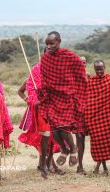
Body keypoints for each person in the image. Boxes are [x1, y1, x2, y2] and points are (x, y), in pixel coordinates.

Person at [37, 31, 87, 168]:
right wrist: (42, 92)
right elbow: (44, 78)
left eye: (51, 43)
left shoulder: (70, 57)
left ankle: (73, 149)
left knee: (63, 128)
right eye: (47, 44)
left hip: (66, 97)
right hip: (52, 98)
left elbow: (80, 75)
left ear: (59, 41)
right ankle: (64, 150)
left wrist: (77, 93)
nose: (49, 47)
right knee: (53, 130)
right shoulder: (45, 59)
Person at [18, 62, 64, 179]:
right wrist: (29, 100)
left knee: (52, 138)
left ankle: (45, 164)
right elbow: (20, 91)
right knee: (42, 137)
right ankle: (47, 165)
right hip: (37, 111)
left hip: (53, 110)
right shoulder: (32, 79)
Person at [85, 60, 110, 175]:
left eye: (101, 69)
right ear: (94, 69)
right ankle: (104, 167)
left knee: (106, 142)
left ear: (104, 67)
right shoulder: (91, 82)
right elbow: (89, 99)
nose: (99, 71)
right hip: (94, 119)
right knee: (97, 143)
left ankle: (98, 167)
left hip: (106, 117)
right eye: (97, 69)